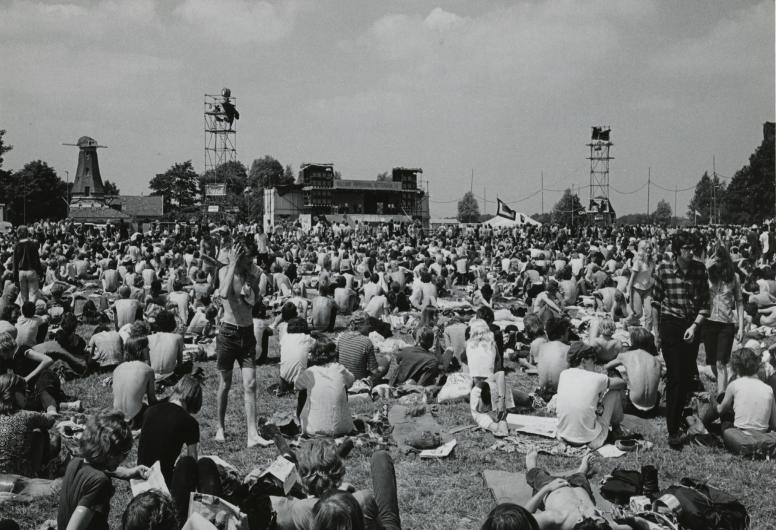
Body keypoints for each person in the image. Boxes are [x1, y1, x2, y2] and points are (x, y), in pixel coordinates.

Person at [651, 231, 710, 449]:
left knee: (686, 375)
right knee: (675, 375)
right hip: (670, 323)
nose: (691, 251)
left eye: (693, 247)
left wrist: (695, 326)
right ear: (677, 250)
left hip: (692, 324)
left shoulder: (699, 270)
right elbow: (656, 301)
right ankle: (673, 430)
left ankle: (680, 412)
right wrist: (656, 332)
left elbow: (706, 303)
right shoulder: (664, 270)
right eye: (687, 247)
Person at [57, 410, 149, 530]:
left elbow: (99, 469)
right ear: (111, 454)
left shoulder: (76, 462)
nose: (124, 458)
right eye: (125, 452)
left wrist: (128, 473)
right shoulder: (99, 482)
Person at [215, 238, 265, 447]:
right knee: (225, 384)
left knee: (250, 384)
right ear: (237, 257)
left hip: (246, 333)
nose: (250, 264)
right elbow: (224, 293)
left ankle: (252, 434)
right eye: (246, 260)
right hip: (228, 332)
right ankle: (220, 427)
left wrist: (253, 280)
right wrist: (233, 264)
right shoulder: (224, 271)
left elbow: (255, 298)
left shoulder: (254, 274)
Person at [700, 347, 776, 435]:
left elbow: (720, 410)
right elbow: (774, 424)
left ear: (736, 367)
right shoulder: (768, 389)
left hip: (738, 436)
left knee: (721, 397)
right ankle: (706, 425)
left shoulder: (734, 385)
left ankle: (702, 424)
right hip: (762, 436)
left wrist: (711, 398)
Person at [702, 244, 745, 394]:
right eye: (713, 259)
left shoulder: (734, 277)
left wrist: (741, 326)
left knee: (721, 363)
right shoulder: (705, 275)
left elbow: (739, 302)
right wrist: (706, 270)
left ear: (725, 260)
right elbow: (697, 291)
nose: (716, 263)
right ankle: (723, 378)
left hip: (726, 324)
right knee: (713, 362)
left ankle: (722, 397)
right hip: (709, 322)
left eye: (719, 260)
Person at [0, 373, 59, 477]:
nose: (27, 396)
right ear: (17, 394)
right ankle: (41, 470)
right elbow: (51, 420)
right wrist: (50, 409)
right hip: (20, 477)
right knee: (39, 433)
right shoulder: (28, 416)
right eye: (25, 392)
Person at [295, 338, 355, 437]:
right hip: (344, 429)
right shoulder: (339, 368)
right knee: (343, 386)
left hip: (314, 430)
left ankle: (302, 423)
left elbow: (297, 385)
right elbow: (351, 381)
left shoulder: (310, 372)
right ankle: (339, 417)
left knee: (304, 389)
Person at [604, 327, 662, 416]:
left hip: (631, 407)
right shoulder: (657, 361)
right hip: (653, 408)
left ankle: (616, 401)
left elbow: (606, 367)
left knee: (613, 371)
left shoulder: (625, 355)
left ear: (632, 341)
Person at [112, 336, 157, 429]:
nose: (149, 349)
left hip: (117, 417)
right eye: (147, 347)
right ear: (140, 351)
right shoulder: (147, 370)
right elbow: (152, 400)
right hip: (134, 419)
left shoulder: (118, 369)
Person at [336, 311, 382, 383]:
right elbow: (374, 371)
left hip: (342, 379)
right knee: (386, 361)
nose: (369, 326)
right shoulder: (366, 341)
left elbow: (338, 360)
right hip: (359, 381)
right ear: (359, 325)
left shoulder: (342, 337)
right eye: (367, 324)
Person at [536, 316, 571, 397]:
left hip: (542, 389)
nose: (568, 333)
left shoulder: (542, 347)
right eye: (567, 331)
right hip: (560, 389)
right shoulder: (568, 349)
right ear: (562, 334)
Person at [279, 317, 315, 393]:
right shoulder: (307, 338)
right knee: (313, 356)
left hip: (283, 377)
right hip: (300, 380)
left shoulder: (285, 337)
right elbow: (318, 346)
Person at [625, 239, 655, 328]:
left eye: (650, 248)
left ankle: (647, 334)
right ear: (643, 250)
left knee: (649, 314)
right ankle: (626, 322)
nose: (649, 250)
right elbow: (632, 278)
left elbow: (652, 275)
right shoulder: (638, 262)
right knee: (638, 314)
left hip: (648, 289)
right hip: (636, 289)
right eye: (647, 248)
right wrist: (627, 292)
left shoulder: (652, 262)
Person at [147, 310, 184, 379]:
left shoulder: (148, 338)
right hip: (169, 374)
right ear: (172, 323)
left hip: (152, 375)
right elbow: (180, 361)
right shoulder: (178, 337)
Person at [13, 226, 42, 304]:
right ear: (27, 233)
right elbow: (37, 260)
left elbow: (15, 263)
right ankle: (31, 312)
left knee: (24, 297)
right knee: (33, 295)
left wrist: (15, 277)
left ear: (18, 234)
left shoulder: (17, 245)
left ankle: (25, 313)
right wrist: (40, 273)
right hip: (31, 271)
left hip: (21, 272)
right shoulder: (32, 244)